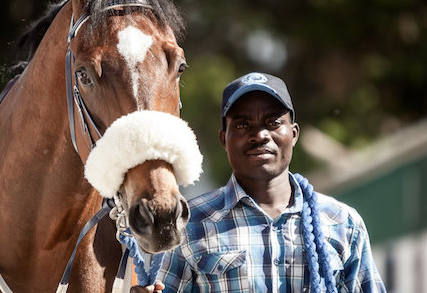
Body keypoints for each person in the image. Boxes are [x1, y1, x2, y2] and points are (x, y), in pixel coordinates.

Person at [136, 72, 386, 293]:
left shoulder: (343, 224)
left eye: (273, 123)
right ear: (224, 139)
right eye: (243, 125)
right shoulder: (188, 225)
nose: (260, 135)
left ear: (294, 133)